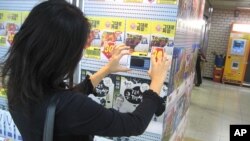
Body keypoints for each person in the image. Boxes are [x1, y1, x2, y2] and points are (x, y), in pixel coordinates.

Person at [0, 1, 171, 141]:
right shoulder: (73, 108)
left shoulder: (17, 85)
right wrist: (156, 82)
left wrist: (106, 70)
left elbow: (58, 103)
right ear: (62, 54)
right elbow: (134, 124)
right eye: (80, 47)